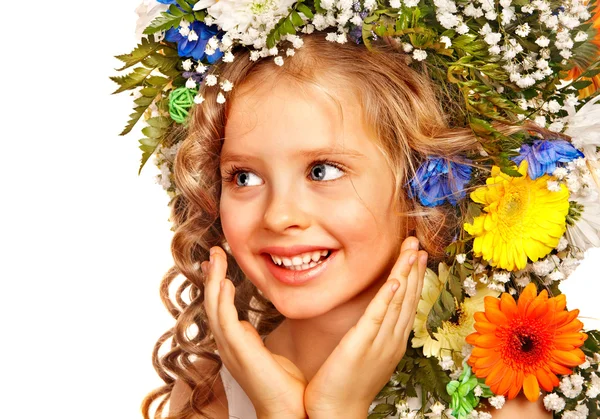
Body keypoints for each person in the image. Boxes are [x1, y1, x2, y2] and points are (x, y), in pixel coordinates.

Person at [140, 35, 558, 419]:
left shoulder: (505, 399)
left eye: (322, 171)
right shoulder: (208, 393)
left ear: (419, 178)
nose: (279, 216)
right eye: (244, 177)